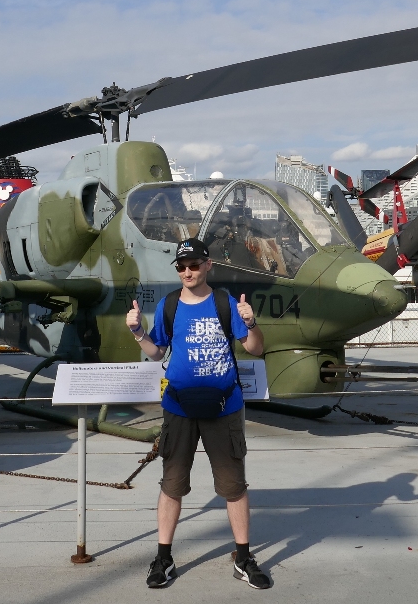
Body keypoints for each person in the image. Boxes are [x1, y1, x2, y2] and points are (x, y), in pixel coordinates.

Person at [126, 237, 272, 590]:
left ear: (208, 265)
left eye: (193, 265)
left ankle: (243, 557)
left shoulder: (225, 303)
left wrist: (251, 323)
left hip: (224, 407)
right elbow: (156, 352)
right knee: (172, 485)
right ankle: (164, 557)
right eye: (181, 266)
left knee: (233, 486)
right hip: (179, 407)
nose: (187, 271)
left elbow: (255, 348)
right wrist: (137, 331)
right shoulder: (169, 305)